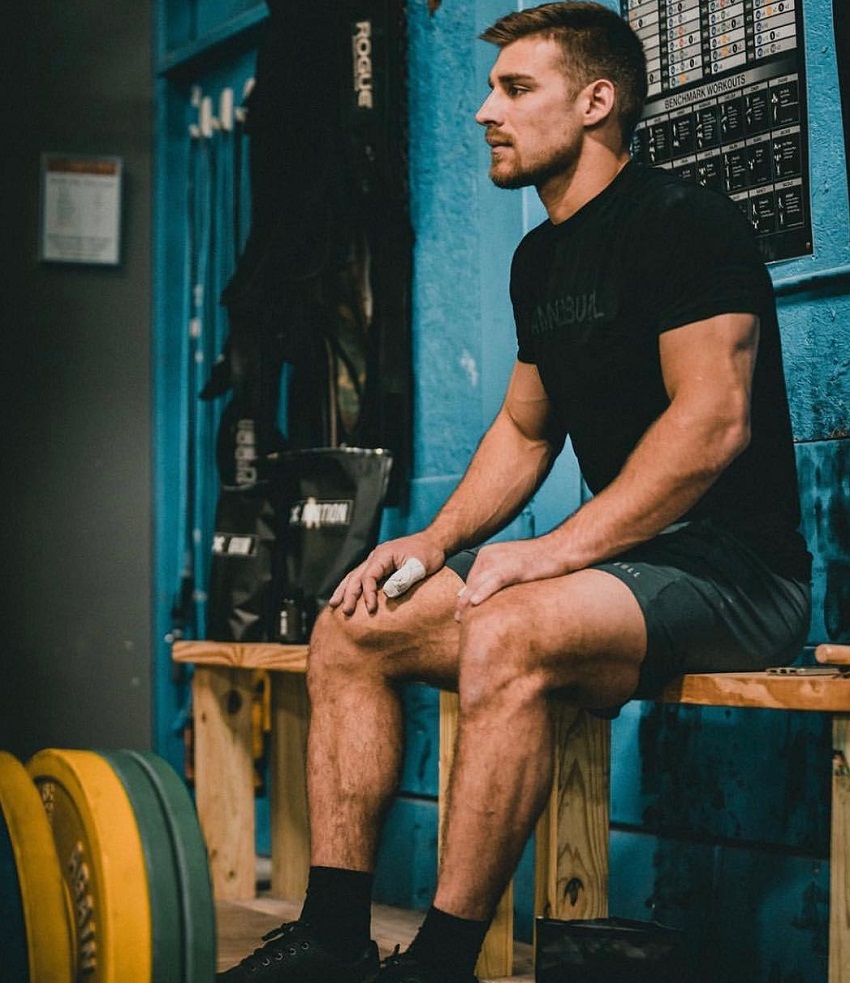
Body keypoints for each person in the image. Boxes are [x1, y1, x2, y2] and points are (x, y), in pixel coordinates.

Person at [218, 3, 811, 981]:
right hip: (621, 571)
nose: (484, 111)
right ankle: (332, 934)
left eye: (514, 88)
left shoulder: (687, 223)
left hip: (737, 575)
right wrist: (432, 541)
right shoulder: (539, 256)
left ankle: (441, 959)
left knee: (509, 624)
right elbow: (527, 427)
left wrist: (550, 551)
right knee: (354, 621)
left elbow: (711, 425)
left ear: (595, 100)